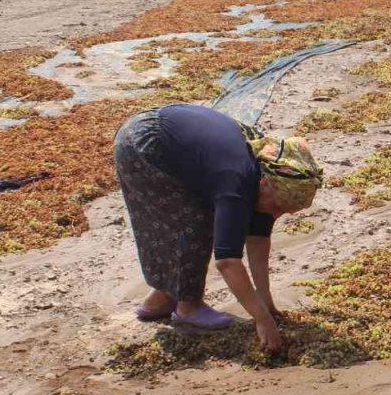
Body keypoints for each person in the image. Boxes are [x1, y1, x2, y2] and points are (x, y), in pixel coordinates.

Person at [113, 103, 322, 353]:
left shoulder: (267, 173)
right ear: (266, 184)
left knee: (190, 221)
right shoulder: (237, 180)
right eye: (278, 206)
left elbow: (257, 240)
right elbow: (228, 261)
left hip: (168, 138)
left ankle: (161, 299)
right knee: (193, 223)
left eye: (284, 211)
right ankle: (187, 308)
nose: (276, 214)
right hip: (142, 145)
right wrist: (261, 320)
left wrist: (266, 303)